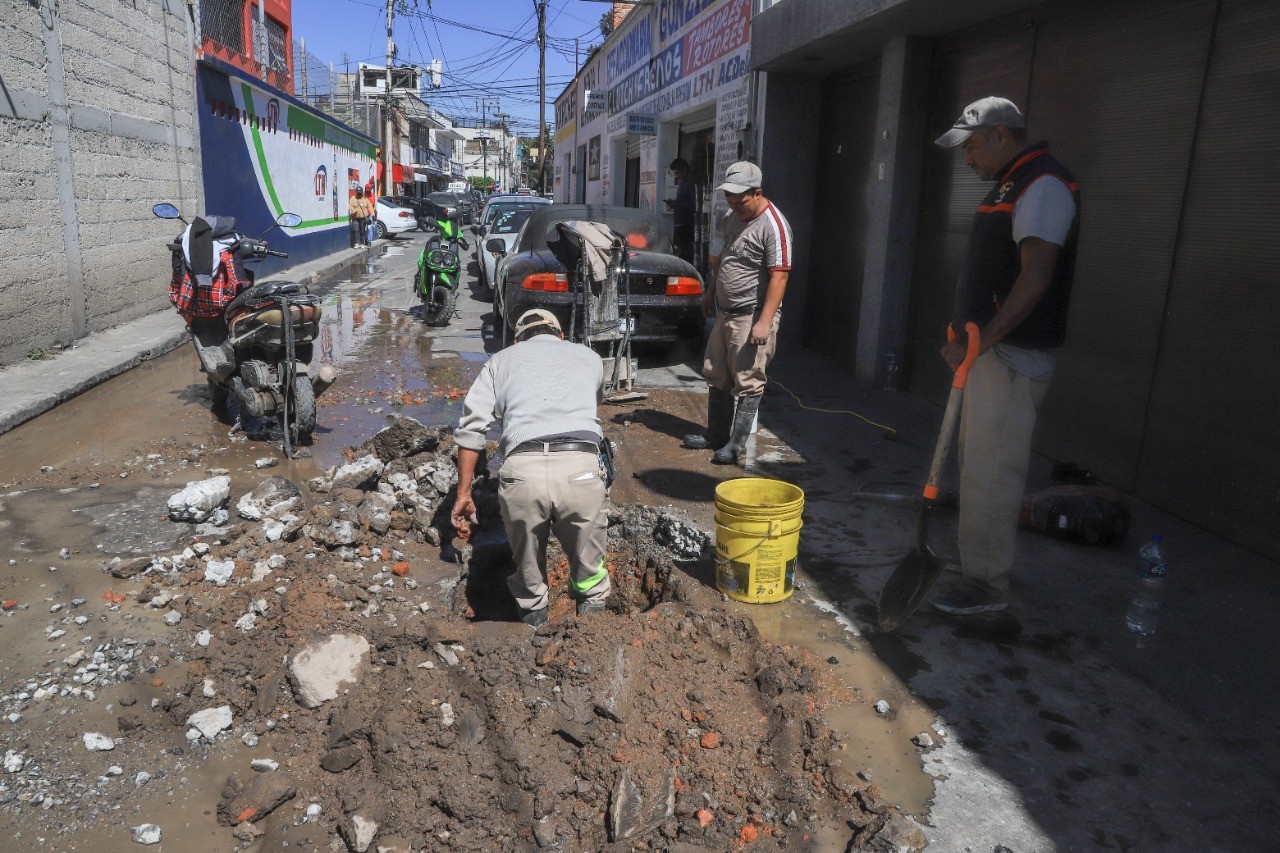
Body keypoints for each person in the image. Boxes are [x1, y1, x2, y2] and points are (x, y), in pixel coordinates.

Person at [930, 96, 1080, 615]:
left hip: (1012, 358)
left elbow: (1035, 277)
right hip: (990, 354)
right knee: (978, 467)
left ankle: (986, 586)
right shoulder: (1012, 183)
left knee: (993, 473)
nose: (966, 159)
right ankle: (976, 562)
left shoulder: (1043, 185)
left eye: (970, 147)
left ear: (999, 134)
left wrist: (982, 340)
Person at [451, 309, 611, 627]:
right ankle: (592, 645)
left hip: (521, 473)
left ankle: (532, 638)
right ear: (560, 335)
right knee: (590, 575)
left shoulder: (500, 361)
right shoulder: (589, 356)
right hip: (580, 470)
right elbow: (596, 402)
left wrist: (464, 492)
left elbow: (470, 433)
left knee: (528, 575)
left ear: (517, 340)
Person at [683, 161, 792, 465]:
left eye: (740, 200)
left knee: (747, 380)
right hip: (725, 312)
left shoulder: (774, 226)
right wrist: (710, 291)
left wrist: (764, 322)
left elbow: (780, 277)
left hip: (751, 315)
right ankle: (715, 435)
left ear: (757, 193)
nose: (734, 206)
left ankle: (736, 445)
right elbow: (724, 259)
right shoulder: (733, 215)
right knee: (716, 373)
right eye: (730, 199)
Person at [664, 157, 696, 262]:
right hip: (679, 224)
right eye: (676, 173)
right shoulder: (682, 184)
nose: (677, 176)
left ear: (684, 170)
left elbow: (692, 204)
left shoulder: (690, 184)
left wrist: (676, 205)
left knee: (685, 254)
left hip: (686, 225)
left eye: (678, 173)